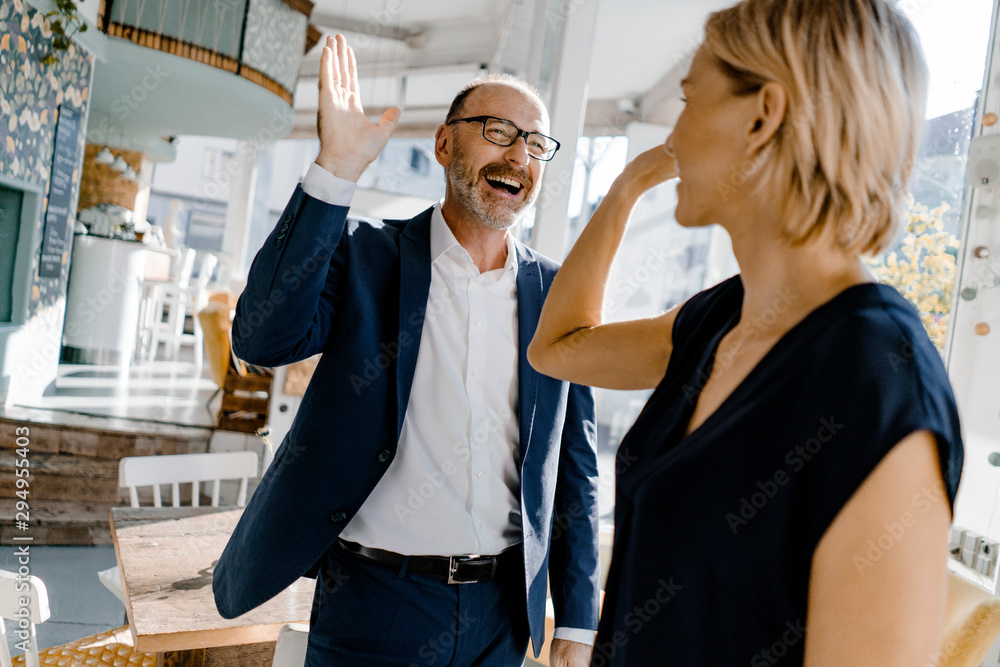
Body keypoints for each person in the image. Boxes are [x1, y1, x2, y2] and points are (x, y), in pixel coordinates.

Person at [527, 0, 963, 664]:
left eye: (689, 99)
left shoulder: (878, 381)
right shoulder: (719, 320)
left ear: (764, 115)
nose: (671, 136)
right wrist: (626, 187)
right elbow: (556, 347)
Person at [212, 34, 600, 667]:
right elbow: (262, 337)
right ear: (445, 143)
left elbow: (573, 467)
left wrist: (578, 623)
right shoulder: (368, 256)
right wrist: (335, 169)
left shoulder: (558, 294)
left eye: (535, 144)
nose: (519, 157)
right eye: (498, 132)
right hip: (372, 601)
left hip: (501, 614)